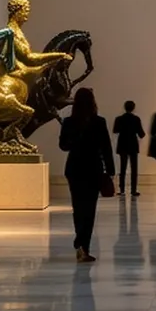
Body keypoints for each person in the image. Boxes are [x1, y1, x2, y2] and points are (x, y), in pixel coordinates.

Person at [59, 87, 115, 263]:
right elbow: (106, 147)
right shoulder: (99, 122)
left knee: (78, 207)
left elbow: (63, 146)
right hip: (93, 169)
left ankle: (80, 243)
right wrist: (111, 171)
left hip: (74, 168)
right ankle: (84, 246)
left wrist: (74, 140)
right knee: (90, 210)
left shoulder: (68, 122)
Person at [113, 100, 145, 197]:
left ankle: (122, 189)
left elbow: (115, 130)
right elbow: (141, 134)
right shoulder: (136, 119)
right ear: (133, 108)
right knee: (134, 168)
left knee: (122, 168)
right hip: (133, 145)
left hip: (123, 144)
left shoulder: (119, 119)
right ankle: (133, 190)